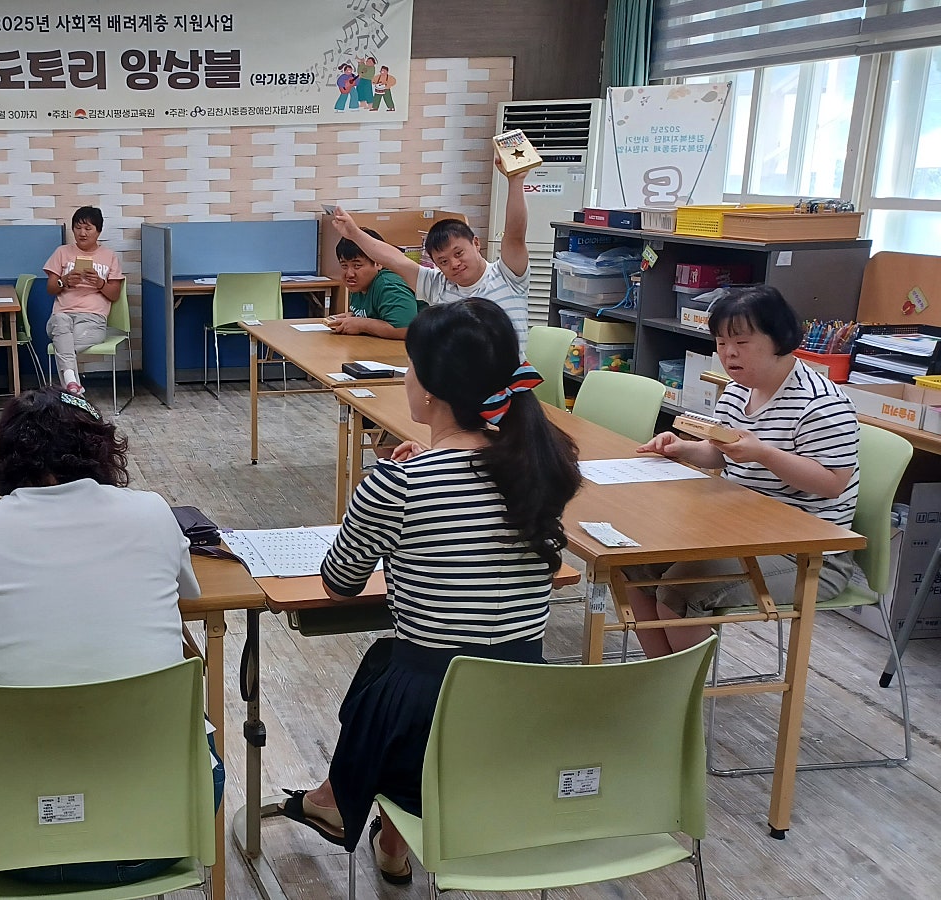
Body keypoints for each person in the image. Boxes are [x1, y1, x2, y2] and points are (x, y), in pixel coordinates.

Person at [278, 298, 581, 886]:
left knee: (398, 667)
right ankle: (374, 829)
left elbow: (340, 583)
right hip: (523, 707)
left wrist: (397, 492)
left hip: (433, 719)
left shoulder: (399, 482)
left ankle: (340, 801)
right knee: (397, 661)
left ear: (431, 390)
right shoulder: (536, 468)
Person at [0, 385, 219, 885]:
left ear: (5, 458)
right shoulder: (152, 513)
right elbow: (186, 593)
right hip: (156, 831)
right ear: (101, 451)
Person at [629, 285, 860, 656]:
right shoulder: (739, 390)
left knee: (679, 592)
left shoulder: (821, 403)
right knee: (635, 568)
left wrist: (763, 453)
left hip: (807, 554)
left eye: (741, 342)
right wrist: (683, 449)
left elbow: (832, 483)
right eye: (721, 343)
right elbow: (723, 454)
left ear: (779, 339)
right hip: (738, 530)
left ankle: (680, 687)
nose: (728, 353)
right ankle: (658, 677)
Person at [332, 156, 533, 351]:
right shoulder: (437, 285)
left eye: (458, 253)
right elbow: (394, 259)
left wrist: (515, 181)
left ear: (476, 243)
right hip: (456, 372)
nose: (454, 264)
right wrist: (354, 234)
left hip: (509, 374)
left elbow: (515, 236)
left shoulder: (507, 275)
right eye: (443, 261)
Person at [43, 206, 122, 396]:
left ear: (98, 231)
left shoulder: (109, 256)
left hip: (93, 320)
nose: (82, 233)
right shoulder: (62, 252)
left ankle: (72, 386)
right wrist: (64, 280)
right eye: (78, 228)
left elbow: (115, 294)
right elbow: (50, 288)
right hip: (62, 316)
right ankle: (73, 387)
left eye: (88, 228)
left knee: (63, 345)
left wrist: (100, 283)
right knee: (61, 323)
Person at [328, 227, 417, 341]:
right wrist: (353, 317)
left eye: (357, 265)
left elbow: (405, 330)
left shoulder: (388, 285)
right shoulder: (359, 285)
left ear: (378, 263)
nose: (349, 274)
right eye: (344, 266)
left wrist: (361, 324)